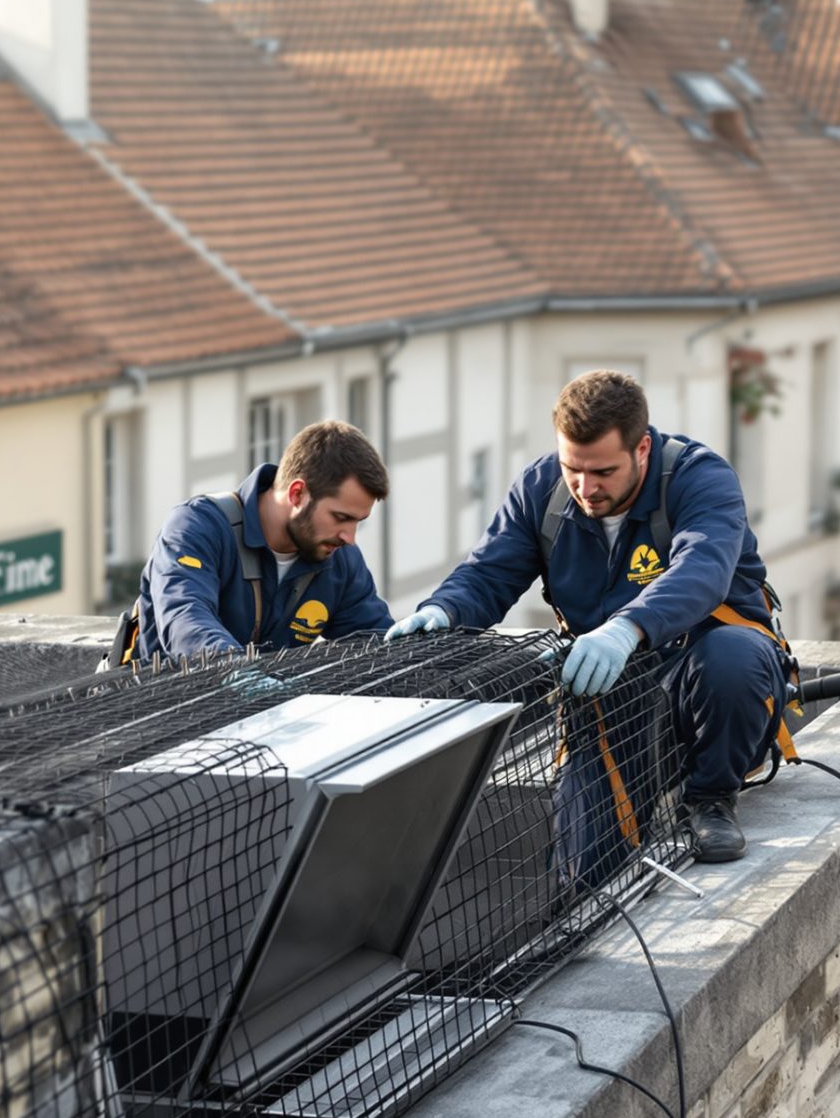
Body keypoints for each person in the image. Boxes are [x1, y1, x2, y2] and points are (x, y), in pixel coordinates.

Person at [389, 370, 784, 866]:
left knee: (732, 655)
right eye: (572, 468)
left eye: (603, 472)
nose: (585, 487)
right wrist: (443, 610)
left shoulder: (700, 479)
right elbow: (489, 573)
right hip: (607, 698)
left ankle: (710, 799)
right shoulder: (541, 489)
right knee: (587, 866)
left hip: (704, 690)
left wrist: (627, 628)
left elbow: (702, 570)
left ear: (642, 449)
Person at [119, 420, 393, 665]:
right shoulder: (197, 527)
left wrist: (408, 641)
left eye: (358, 521)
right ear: (297, 494)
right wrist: (236, 672)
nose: (349, 537)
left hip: (266, 706)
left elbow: (374, 641)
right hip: (158, 702)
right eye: (341, 517)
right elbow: (185, 619)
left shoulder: (339, 559)